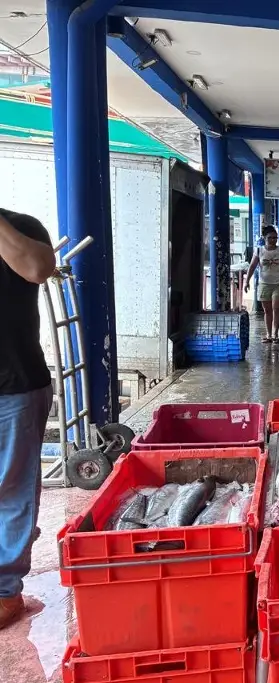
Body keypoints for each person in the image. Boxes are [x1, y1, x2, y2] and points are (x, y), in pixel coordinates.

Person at [0, 208, 56, 630]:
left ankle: (5, 590)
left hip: (14, 385)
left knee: (13, 490)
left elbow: (38, 268)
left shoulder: (22, 228)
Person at [244, 226, 279, 343]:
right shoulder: (259, 251)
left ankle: (275, 334)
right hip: (264, 284)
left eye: (275, 238)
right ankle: (268, 334)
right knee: (267, 311)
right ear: (264, 238)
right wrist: (247, 281)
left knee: (276, 308)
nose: (273, 240)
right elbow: (252, 267)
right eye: (270, 238)